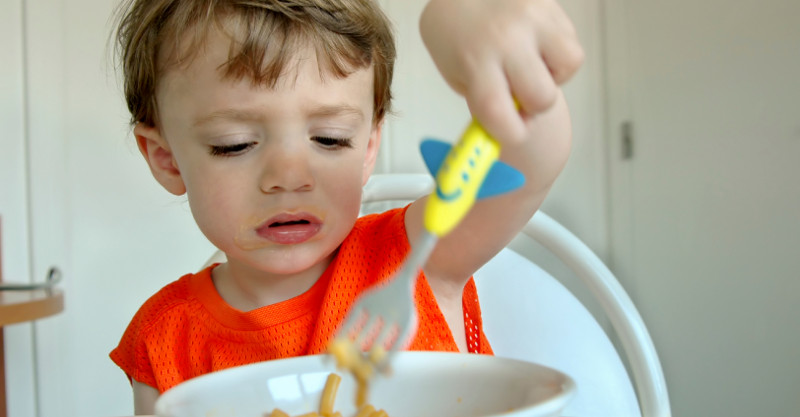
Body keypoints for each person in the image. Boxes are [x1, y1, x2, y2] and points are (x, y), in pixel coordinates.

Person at [109, 0, 582, 414]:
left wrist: (476, 27)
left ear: (368, 147)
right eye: (235, 145)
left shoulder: (417, 258)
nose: (290, 177)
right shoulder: (163, 340)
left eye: (330, 139)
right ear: (167, 160)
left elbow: (530, 159)